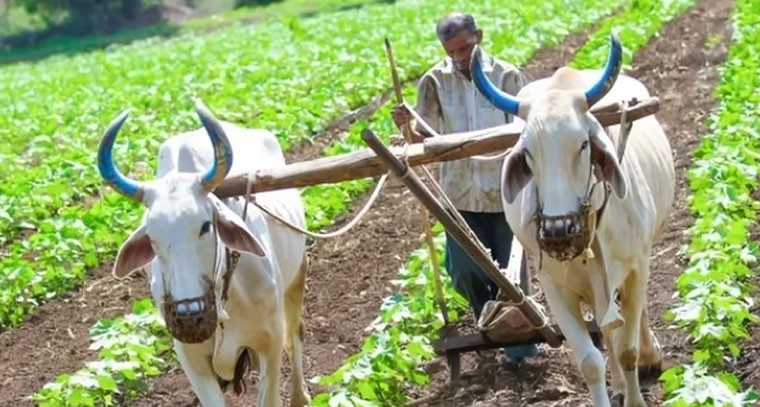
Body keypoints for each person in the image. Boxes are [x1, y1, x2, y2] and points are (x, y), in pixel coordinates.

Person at [391, 12, 539, 362]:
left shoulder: (506, 75)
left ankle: (520, 351)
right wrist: (405, 127)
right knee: (463, 272)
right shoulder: (434, 82)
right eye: (452, 51)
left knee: (511, 276)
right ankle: (489, 320)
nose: (460, 58)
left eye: (465, 48)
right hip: (458, 195)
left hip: (504, 193)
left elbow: (526, 129)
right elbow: (420, 139)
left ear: (479, 37)